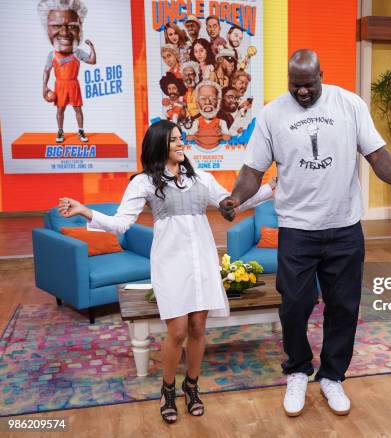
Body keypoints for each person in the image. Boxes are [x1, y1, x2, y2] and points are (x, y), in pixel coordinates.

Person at [219, 49, 391, 417]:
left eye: (309, 84)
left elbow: (377, 156)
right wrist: (236, 197)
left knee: (344, 307)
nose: (301, 92)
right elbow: (254, 170)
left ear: (322, 75)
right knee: (294, 306)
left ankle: (332, 376)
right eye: (295, 85)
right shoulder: (272, 114)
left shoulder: (349, 104)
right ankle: (298, 369)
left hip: (344, 227)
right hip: (297, 229)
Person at [57, 120, 273, 423]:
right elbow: (121, 224)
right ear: (160, 146)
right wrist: (84, 210)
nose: (181, 143)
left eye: (181, 138)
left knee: (198, 327)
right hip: (170, 262)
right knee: (178, 330)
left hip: (202, 259)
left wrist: (271, 188)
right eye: (174, 140)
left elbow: (235, 202)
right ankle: (168, 389)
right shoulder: (143, 182)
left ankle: (192, 386)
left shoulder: (201, 178)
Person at [39, 0, 96, 143]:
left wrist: (92, 47)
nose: (64, 32)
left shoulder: (77, 52)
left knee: (78, 109)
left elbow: (92, 61)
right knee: (60, 110)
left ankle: (81, 132)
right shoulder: (52, 54)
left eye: (71, 26)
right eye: (56, 26)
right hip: (60, 85)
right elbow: (47, 71)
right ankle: (60, 131)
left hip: (73, 84)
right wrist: (44, 86)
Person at [185, 81, 230, 150]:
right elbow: (189, 137)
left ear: (218, 101)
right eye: (202, 98)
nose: (207, 102)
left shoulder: (222, 122)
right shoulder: (196, 123)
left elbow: (227, 137)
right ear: (197, 103)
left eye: (213, 98)